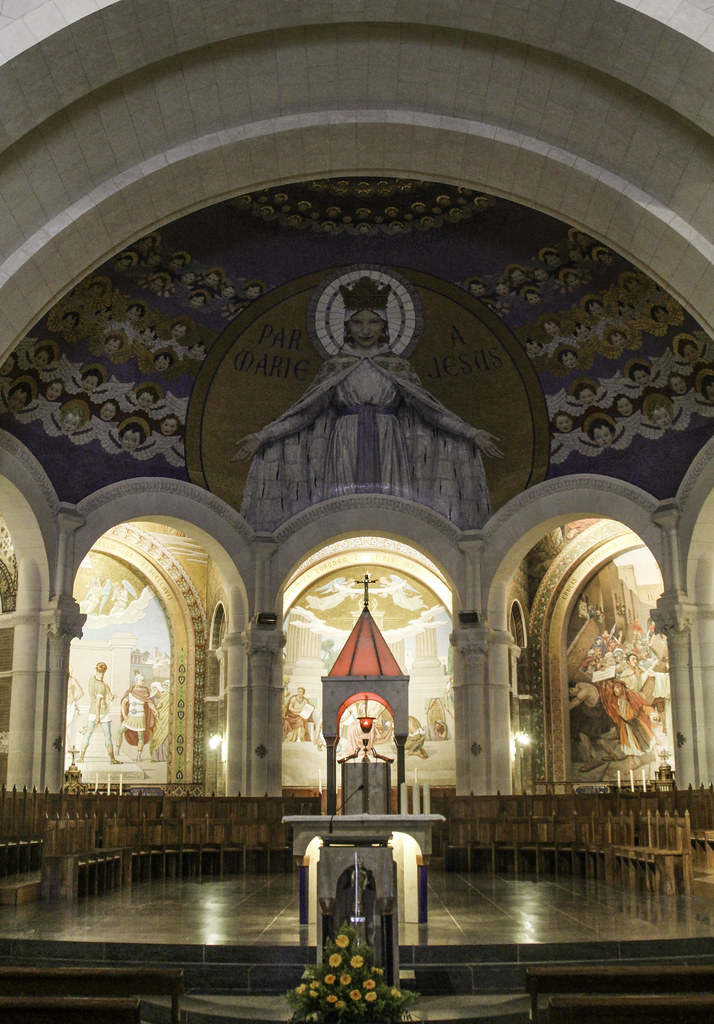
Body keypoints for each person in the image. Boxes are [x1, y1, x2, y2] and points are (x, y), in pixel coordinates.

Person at [233, 275, 503, 531]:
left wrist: (473, 433)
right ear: (347, 326)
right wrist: (262, 436)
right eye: (358, 323)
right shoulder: (336, 366)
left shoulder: (397, 366)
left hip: (388, 443)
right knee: (343, 514)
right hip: (345, 444)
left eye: (373, 322)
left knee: (391, 514)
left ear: (385, 325)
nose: (365, 330)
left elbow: (431, 412)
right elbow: (304, 414)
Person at [78, 662, 120, 764]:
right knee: (108, 736)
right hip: (101, 713)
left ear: (96, 669)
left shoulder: (91, 680)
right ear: (104, 671)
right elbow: (98, 702)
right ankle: (112, 759)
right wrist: (98, 717)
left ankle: (81, 758)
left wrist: (110, 694)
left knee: (88, 734)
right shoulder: (101, 685)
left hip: (92, 712)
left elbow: (109, 697)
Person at [115, 670, 157, 762]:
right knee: (120, 731)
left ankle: (139, 756)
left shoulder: (145, 692)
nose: (143, 682)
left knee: (141, 736)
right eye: (141, 680)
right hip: (130, 717)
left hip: (140, 716)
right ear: (137, 680)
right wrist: (125, 715)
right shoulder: (130, 691)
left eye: (143, 680)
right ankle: (117, 751)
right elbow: (123, 703)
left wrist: (154, 710)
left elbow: (149, 702)